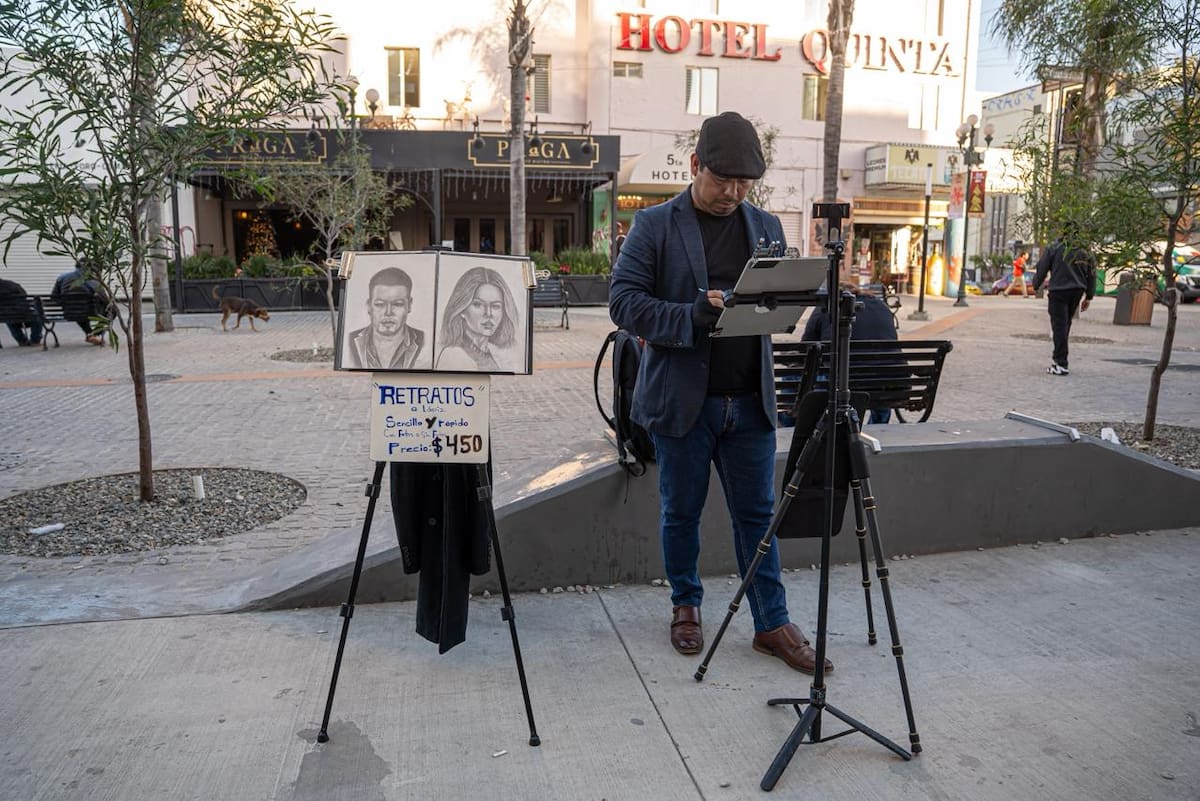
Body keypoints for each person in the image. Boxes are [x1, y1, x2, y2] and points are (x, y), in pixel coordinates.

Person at [608, 110, 832, 675]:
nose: (733, 193)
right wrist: (689, 314)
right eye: (722, 180)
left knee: (758, 516)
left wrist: (789, 299)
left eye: (744, 183)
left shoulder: (767, 225)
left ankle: (771, 622)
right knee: (680, 512)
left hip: (750, 400)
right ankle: (686, 604)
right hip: (683, 401)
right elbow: (623, 302)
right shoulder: (654, 224)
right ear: (695, 165)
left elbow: (775, 302)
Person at [801, 283, 898, 424]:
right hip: (890, 382)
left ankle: (790, 417)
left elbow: (805, 346)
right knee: (881, 372)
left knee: (796, 372)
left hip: (842, 383)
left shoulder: (826, 307)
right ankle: (879, 424)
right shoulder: (882, 306)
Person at [1032, 231, 1096, 376]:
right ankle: (1059, 359)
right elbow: (1092, 273)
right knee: (1065, 324)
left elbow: (1042, 267)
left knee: (1059, 326)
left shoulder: (1054, 247)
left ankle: (1061, 363)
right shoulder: (1085, 249)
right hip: (1077, 290)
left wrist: (1036, 284)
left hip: (1058, 290)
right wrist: (1089, 296)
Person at [435, 266, 520, 371]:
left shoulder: (496, 353)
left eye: (495, 306)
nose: (488, 314)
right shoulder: (454, 355)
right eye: (478, 304)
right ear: (462, 309)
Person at [346, 267, 425, 369]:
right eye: (380, 304)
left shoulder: (424, 342)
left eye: (397, 304)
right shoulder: (349, 341)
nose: (388, 312)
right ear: (369, 306)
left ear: (409, 305)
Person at [50, 260, 107, 345]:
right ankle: (94, 333)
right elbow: (104, 299)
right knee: (112, 311)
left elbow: (54, 297)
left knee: (77, 310)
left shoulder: (62, 278)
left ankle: (90, 334)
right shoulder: (91, 279)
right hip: (90, 312)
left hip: (69, 312)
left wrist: (65, 303)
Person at [0, 277, 43, 346]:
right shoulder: (12, 284)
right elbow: (24, 294)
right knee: (37, 318)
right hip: (24, 313)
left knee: (9, 318)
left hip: (8, 315)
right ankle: (35, 340)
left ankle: (21, 340)